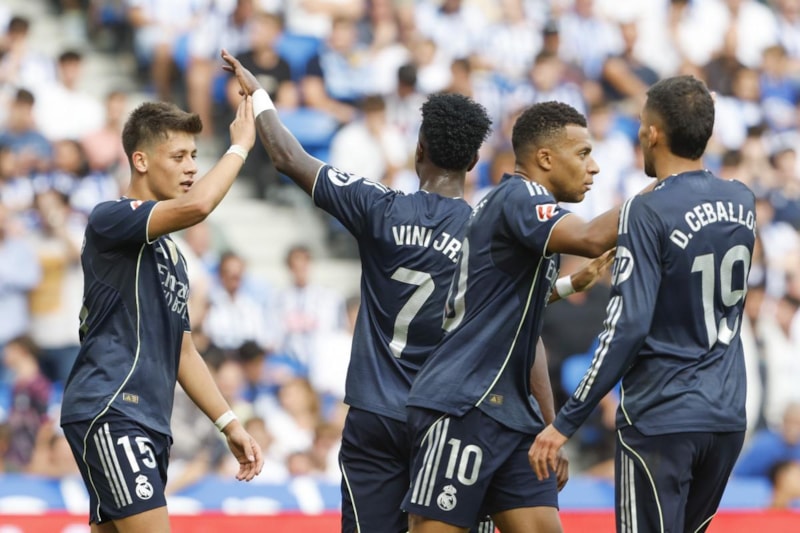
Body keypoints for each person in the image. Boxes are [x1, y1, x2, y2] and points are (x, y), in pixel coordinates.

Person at [222, 49, 610, 533]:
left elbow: (288, 157)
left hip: (377, 413)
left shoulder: (377, 207)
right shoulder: (487, 230)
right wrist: (551, 422)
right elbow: (515, 325)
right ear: (474, 160)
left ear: (418, 150)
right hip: (456, 415)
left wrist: (260, 95)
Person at [530, 75, 757, 533]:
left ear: (653, 134)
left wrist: (565, 422)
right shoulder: (743, 200)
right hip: (726, 417)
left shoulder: (646, 211)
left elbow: (626, 326)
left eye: (640, 124)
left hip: (662, 415)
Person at [400, 100, 624, 533]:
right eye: (583, 153)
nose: (593, 167)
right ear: (545, 158)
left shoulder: (526, 225)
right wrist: (666, 191)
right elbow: (591, 237)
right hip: (464, 403)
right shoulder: (521, 196)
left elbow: (523, 325)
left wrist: (550, 427)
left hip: (512, 413)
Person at [59, 97, 264, 533]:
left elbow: (183, 352)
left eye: (194, 156)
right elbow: (199, 206)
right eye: (178, 156)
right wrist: (241, 146)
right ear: (141, 161)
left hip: (149, 421)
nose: (191, 168)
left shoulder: (174, 256)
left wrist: (229, 423)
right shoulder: (110, 218)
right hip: (113, 408)